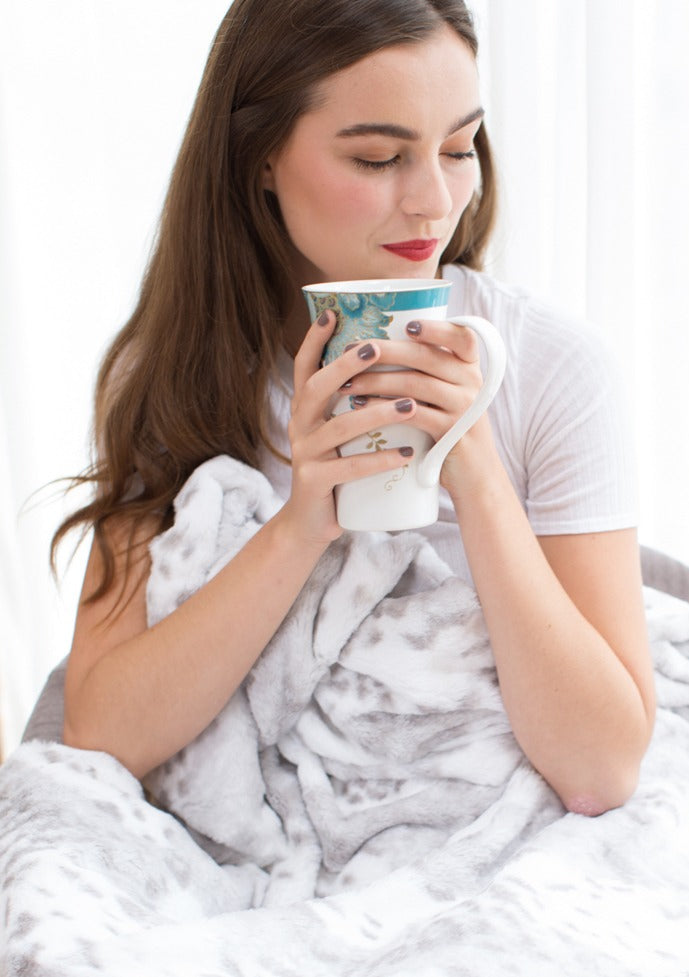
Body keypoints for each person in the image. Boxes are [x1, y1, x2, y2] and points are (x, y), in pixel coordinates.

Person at [53, 0, 656, 817]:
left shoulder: (552, 366)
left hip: (491, 832)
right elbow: (99, 734)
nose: (434, 201)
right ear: (260, 158)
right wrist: (301, 526)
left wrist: (475, 474)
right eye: (378, 158)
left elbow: (602, 770)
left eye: (458, 148)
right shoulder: (173, 375)